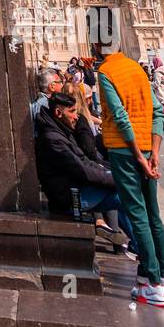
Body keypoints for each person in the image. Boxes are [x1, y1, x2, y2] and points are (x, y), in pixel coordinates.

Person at [95, 37, 164, 308]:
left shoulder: (106, 72)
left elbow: (119, 117)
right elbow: (157, 111)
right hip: (147, 150)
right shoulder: (137, 69)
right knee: (154, 215)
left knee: (137, 215)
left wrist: (135, 154)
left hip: (125, 152)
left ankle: (153, 283)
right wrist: (153, 151)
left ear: (98, 48)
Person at [35, 91, 133, 244]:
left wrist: (114, 174)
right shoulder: (52, 139)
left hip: (75, 190)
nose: (76, 116)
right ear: (58, 112)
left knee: (126, 194)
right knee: (125, 196)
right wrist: (117, 180)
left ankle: (140, 246)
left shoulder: (60, 131)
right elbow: (83, 170)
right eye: (72, 111)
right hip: (69, 198)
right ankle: (143, 249)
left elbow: (85, 162)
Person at [30, 68, 64, 133]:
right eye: (60, 82)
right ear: (52, 87)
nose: (62, 85)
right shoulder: (45, 105)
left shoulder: (44, 101)